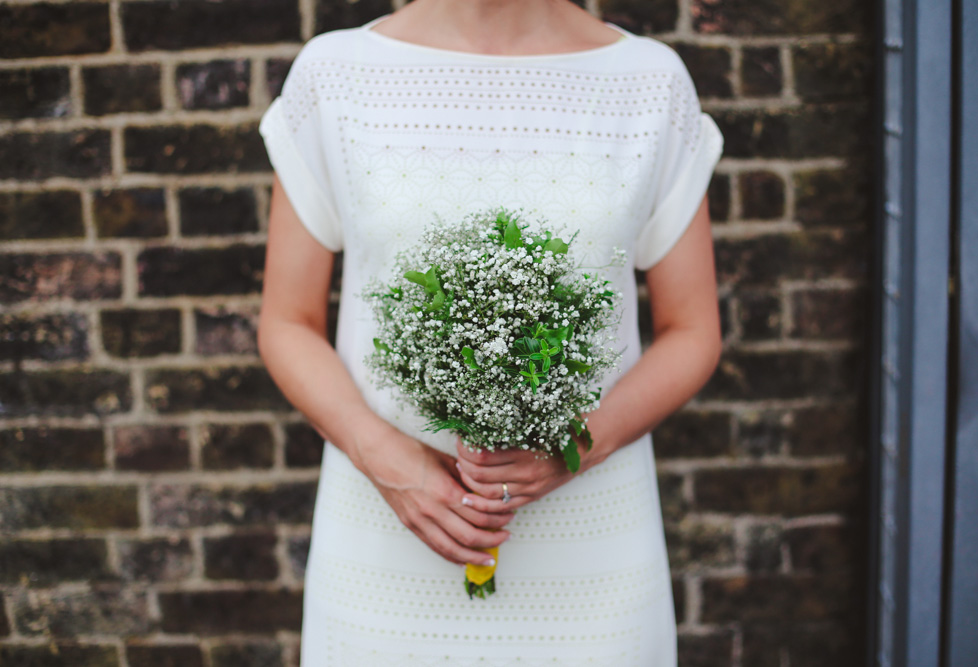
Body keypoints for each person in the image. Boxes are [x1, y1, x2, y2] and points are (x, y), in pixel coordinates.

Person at [257, 0, 723, 664]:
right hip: (385, 549)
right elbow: (286, 322)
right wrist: (390, 463)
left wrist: (575, 446)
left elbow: (693, 329)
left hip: (593, 565)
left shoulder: (648, 82)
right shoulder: (336, 74)